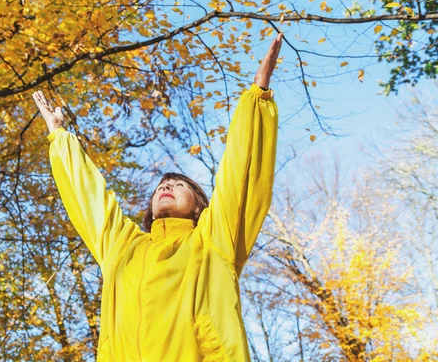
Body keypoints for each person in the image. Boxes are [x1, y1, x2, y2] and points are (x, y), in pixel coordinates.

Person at [33, 33, 282, 361]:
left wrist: (257, 99)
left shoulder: (214, 241)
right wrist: (60, 137)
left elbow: (241, 177)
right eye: (162, 185)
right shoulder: (123, 248)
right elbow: (88, 198)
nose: (166, 186)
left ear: (198, 207)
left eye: (180, 186)